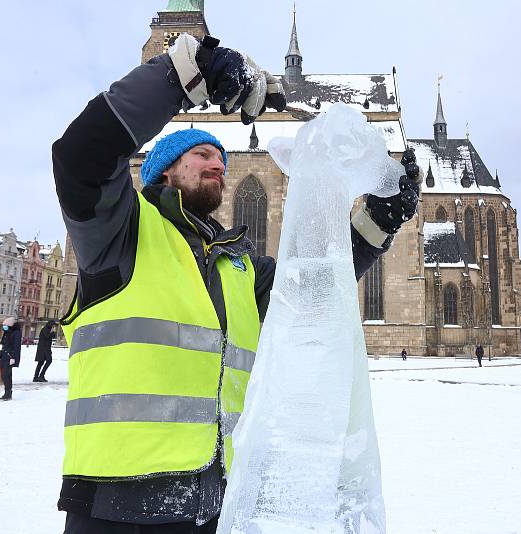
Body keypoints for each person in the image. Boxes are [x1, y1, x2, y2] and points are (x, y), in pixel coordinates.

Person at [52, 32, 420, 533]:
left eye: (221, 160)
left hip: (216, 503)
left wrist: (379, 220)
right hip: (116, 505)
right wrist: (183, 73)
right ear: (162, 171)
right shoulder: (119, 232)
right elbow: (81, 154)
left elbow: (310, 287)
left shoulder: (236, 263)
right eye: (203, 153)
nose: (218, 165)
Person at [0, 317, 22, 401]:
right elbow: (4, 344)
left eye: (5, 325)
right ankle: (7, 392)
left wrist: (14, 358)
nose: (4, 327)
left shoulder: (16, 333)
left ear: (10, 325)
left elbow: (16, 347)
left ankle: (8, 392)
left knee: (6, 375)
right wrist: (1, 352)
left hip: (10, 357)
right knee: (5, 375)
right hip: (4, 356)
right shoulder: (7, 332)